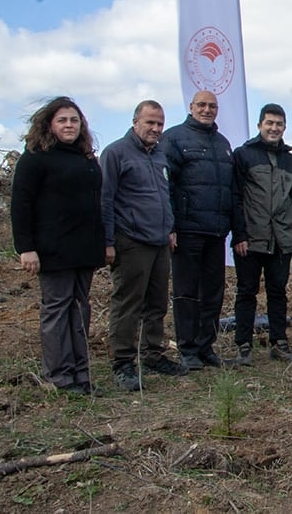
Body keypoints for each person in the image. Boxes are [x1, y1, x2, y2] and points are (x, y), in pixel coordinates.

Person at [10, 97, 105, 395]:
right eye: (63, 120)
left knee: (80, 309)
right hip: (52, 249)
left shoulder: (86, 159)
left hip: (84, 248)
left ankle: (80, 372)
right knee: (57, 310)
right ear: (49, 124)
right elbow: (21, 205)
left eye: (74, 120)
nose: (69, 125)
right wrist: (25, 248)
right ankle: (58, 376)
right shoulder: (35, 158)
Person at [100, 100, 189, 391]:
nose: (155, 129)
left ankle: (153, 353)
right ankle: (123, 362)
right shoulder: (115, 154)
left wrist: (171, 228)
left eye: (160, 124)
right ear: (135, 122)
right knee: (128, 303)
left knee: (157, 302)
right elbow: (105, 200)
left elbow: (165, 196)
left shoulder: (160, 155)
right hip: (131, 241)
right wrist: (108, 242)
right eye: (150, 123)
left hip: (160, 240)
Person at [159, 90, 235, 370]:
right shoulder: (175, 138)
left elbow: (230, 189)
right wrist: (171, 227)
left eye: (212, 106)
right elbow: (166, 185)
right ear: (191, 107)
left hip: (216, 232)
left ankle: (206, 347)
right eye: (201, 105)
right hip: (187, 231)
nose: (207, 110)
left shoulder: (222, 143)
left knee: (213, 292)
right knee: (187, 292)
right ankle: (187, 349)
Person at [230, 104, 292, 365]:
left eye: (279, 124)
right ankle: (244, 346)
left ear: (284, 127)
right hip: (251, 238)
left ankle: (279, 342)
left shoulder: (291, 161)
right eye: (269, 123)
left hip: (281, 239)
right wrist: (239, 235)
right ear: (260, 125)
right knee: (247, 291)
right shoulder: (244, 155)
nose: (274, 128)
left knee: (278, 292)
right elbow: (235, 197)